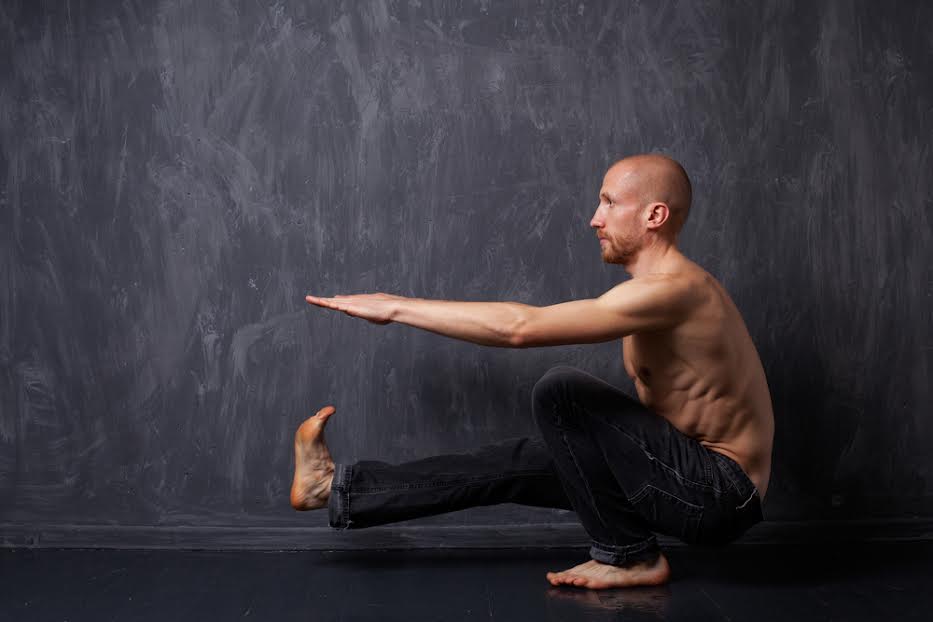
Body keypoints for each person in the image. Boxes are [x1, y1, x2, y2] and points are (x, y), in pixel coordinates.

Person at [294, 153, 774, 590]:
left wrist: (397, 307)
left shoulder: (674, 290)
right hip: (678, 478)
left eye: (610, 203)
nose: (595, 218)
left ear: (654, 216)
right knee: (517, 463)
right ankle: (337, 489)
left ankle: (629, 555)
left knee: (562, 392)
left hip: (718, 495)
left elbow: (520, 328)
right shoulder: (650, 290)